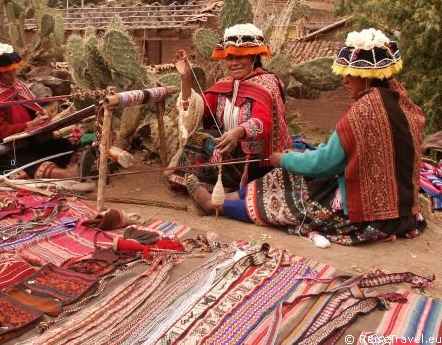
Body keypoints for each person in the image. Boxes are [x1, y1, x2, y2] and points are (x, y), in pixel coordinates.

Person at [190, 28, 427, 245]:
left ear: (365, 76)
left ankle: (216, 205)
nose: (344, 80)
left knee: (295, 201)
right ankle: (228, 196)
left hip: (370, 215)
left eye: (348, 74)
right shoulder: (403, 102)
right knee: (294, 180)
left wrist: (283, 159)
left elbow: (325, 163)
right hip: (404, 207)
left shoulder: (362, 112)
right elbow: (345, 152)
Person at [169, 23, 292, 203]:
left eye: (239, 57)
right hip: (229, 149)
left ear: (254, 56)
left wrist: (238, 132)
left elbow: (264, 121)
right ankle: (201, 184)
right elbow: (197, 108)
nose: (233, 64)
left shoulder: (267, 84)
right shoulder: (226, 84)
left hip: (257, 160)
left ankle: (222, 187)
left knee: (207, 139)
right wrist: (186, 78)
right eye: (229, 58)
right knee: (200, 137)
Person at [0, 43, 86, 180]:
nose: (12, 74)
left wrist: (42, 117)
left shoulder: (17, 86)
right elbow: (0, 132)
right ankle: (68, 174)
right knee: (26, 159)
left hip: (30, 140)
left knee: (63, 145)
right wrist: (30, 125)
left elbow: (32, 108)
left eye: (13, 69)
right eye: (7, 71)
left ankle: (75, 165)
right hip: (7, 149)